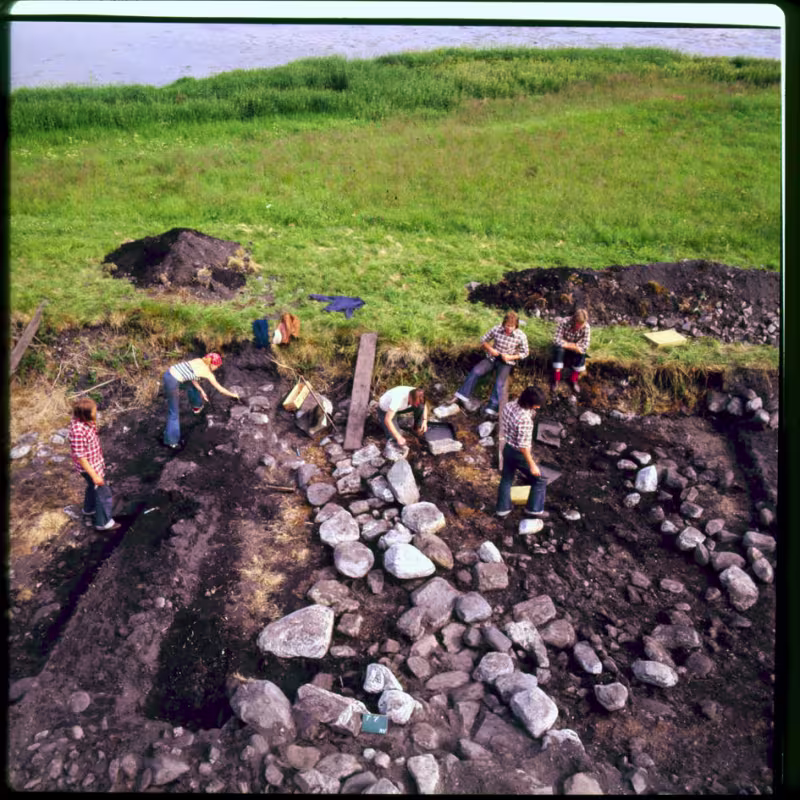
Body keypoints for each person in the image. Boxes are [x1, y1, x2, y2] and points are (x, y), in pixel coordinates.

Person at [454, 311, 529, 417]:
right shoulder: (497, 329)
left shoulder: (521, 336)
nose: (509, 328)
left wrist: (510, 357)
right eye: (507, 325)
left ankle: (491, 409)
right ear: (503, 323)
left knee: (499, 383)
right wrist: (490, 349)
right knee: (476, 371)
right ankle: (462, 395)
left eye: (511, 326)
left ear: (516, 325)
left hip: (506, 362)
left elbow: (525, 352)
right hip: (492, 358)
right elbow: (483, 340)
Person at [163, 352, 240, 449]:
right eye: (217, 366)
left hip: (169, 373)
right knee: (173, 412)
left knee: (191, 386)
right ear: (213, 364)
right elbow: (220, 389)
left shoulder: (198, 360)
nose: (217, 368)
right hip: (172, 381)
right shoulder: (208, 374)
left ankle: (197, 406)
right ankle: (171, 441)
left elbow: (191, 377)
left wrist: (201, 391)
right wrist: (234, 395)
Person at [495, 386, 549, 519]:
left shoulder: (510, 405)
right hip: (518, 454)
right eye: (536, 405)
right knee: (540, 479)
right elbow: (523, 447)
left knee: (507, 478)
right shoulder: (525, 421)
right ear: (530, 404)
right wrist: (532, 465)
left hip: (507, 448)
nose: (538, 407)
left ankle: (502, 510)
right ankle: (534, 510)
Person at [69, 397, 120, 531]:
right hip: (90, 468)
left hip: (96, 463)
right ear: (85, 414)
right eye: (93, 412)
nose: (95, 414)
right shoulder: (78, 432)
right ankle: (103, 523)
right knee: (103, 493)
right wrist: (95, 476)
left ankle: (89, 510)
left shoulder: (86, 421)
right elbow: (81, 457)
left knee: (92, 488)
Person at [552, 308, 591, 395]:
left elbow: (585, 346)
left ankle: (573, 380)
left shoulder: (586, 327)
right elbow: (555, 340)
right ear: (574, 320)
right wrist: (572, 345)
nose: (580, 327)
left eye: (582, 325)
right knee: (558, 350)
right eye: (578, 325)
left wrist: (571, 345)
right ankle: (556, 379)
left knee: (582, 354)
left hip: (572, 348)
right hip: (563, 347)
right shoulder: (564, 322)